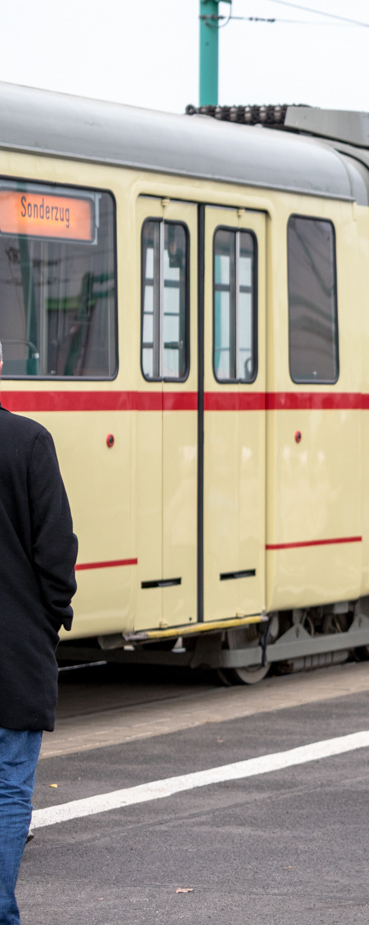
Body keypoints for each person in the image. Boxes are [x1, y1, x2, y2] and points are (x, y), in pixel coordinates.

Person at [0, 345, 78, 925]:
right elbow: (55, 548)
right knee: (6, 790)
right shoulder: (28, 442)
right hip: (13, 649)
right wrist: (49, 618)